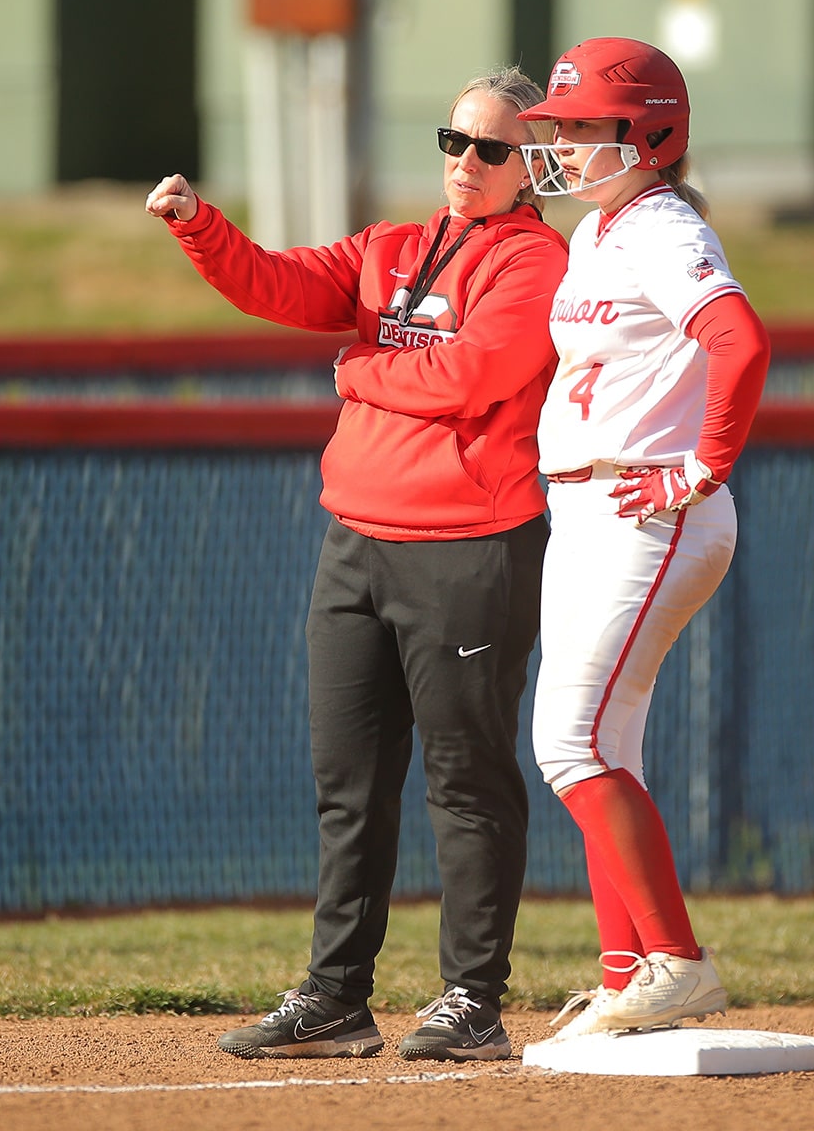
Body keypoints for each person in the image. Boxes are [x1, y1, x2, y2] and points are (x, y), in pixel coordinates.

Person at [145, 67, 567, 1062]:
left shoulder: (534, 262)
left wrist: (358, 369)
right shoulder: (394, 247)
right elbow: (282, 284)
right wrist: (202, 226)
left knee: (465, 781)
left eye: (490, 149)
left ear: (530, 166)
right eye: (452, 142)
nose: (465, 163)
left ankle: (471, 999)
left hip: (469, 548)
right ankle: (336, 995)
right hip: (356, 544)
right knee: (349, 783)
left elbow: (476, 376)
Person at [511, 37, 772, 1041]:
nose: (563, 146)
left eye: (584, 128)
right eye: (560, 128)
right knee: (602, 745)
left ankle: (675, 962)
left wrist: (701, 466)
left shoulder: (660, 226)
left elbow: (739, 340)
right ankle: (630, 974)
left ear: (649, 135)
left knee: (569, 743)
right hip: (587, 507)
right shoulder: (602, 230)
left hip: (645, 511)